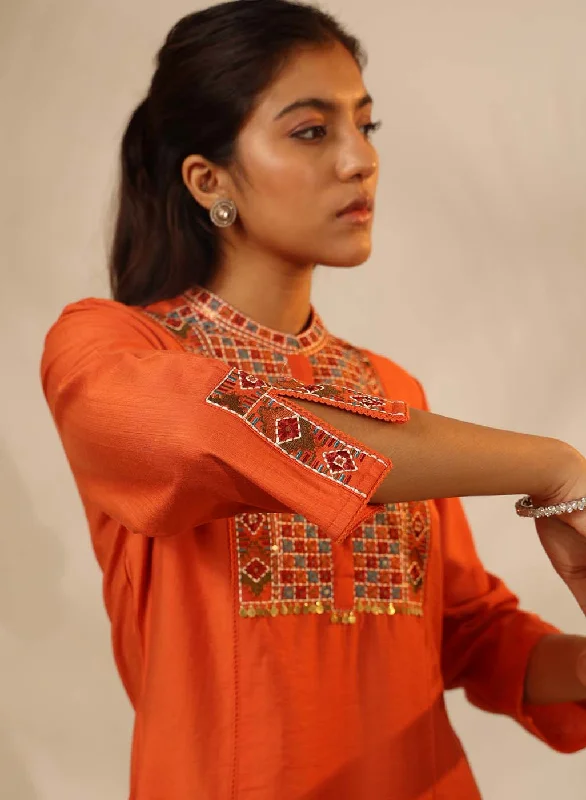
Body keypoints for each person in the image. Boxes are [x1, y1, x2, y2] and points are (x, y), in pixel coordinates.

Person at [40, 1, 586, 797]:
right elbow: (211, 428)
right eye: (311, 130)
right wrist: (551, 465)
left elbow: (467, 633)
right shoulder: (109, 352)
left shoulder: (390, 393)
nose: (360, 160)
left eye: (366, 127)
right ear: (209, 179)